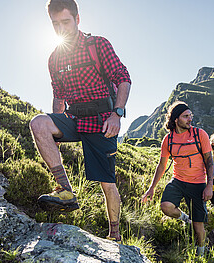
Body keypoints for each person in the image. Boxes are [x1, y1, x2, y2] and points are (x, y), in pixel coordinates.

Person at [29, 0, 131, 241]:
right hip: (73, 118)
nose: (61, 28)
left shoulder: (98, 45)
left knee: (107, 182)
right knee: (38, 123)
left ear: (77, 19)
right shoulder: (54, 58)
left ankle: (114, 234)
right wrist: (55, 126)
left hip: (102, 120)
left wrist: (117, 114)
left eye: (66, 22)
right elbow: (58, 95)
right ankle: (65, 190)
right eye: (55, 24)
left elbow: (123, 77)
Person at [141, 101, 214, 256]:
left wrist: (209, 185)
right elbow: (161, 165)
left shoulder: (199, 134)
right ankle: (184, 218)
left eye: (190, 116)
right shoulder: (168, 140)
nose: (190, 119)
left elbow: (209, 161)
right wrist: (151, 188)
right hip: (178, 181)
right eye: (186, 116)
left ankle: (201, 253)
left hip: (198, 183)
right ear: (176, 119)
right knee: (166, 206)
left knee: (198, 224)